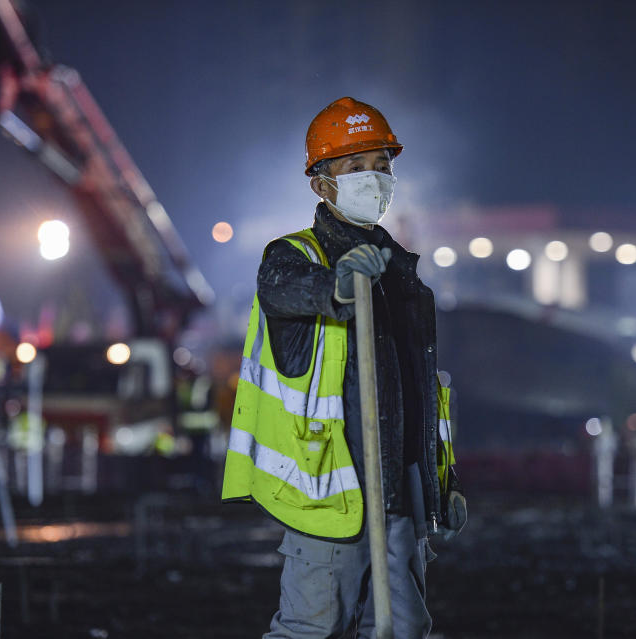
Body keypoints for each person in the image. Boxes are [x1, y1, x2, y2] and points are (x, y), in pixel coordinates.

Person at [222, 96, 465, 638]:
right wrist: (338, 284)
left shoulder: (405, 278)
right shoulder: (294, 258)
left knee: (402, 632)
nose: (373, 180)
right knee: (313, 630)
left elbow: (418, 395)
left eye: (382, 166)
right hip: (331, 495)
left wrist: (440, 483)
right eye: (355, 167)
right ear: (321, 183)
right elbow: (281, 292)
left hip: (401, 498)